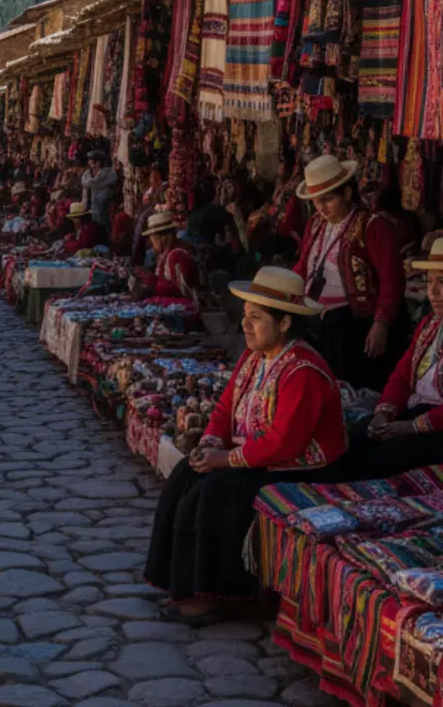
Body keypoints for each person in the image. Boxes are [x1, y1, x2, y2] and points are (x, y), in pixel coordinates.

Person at [144, 268, 346, 625]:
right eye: (245, 316)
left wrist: (226, 459)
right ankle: (179, 583)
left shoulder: (304, 371)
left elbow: (286, 442)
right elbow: (225, 407)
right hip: (257, 455)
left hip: (298, 465)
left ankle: (217, 594)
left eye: (256, 318)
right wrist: (208, 443)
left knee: (219, 491)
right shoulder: (254, 358)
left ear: (284, 322)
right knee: (185, 474)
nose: (245, 325)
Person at [293, 155, 405, 390]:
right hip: (316, 321)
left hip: (352, 325)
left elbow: (391, 279)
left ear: (346, 193)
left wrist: (381, 323)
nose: (322, 208)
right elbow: (303, 267)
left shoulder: (372, 226)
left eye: (328, 199)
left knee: (349, 387)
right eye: (316, 201)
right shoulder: (316, 224)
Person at [345, 237, 443, 476]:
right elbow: (402, 376)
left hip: (437, 426)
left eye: (441, 282)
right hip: (418, 413)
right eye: (429, 282)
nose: (433, 292)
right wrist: (383, 414)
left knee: (382, 459)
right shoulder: (429, 325)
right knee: (352, 439)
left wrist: (410, 427)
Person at [134, 211, 200, 299]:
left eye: (152, 237)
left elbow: (178, 292)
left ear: (162, 237)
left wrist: (151, 280)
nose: (151, 241)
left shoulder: (177, 256)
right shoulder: (165, 255)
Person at [81, 150, 118, 230]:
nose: (93, 166)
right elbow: (86, 183)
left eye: (94, 163)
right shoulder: (88, 174)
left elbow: (96, 182)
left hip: (104, 208)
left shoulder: (107, 173)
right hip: (93, 209)